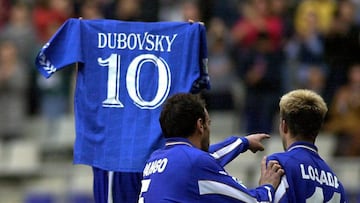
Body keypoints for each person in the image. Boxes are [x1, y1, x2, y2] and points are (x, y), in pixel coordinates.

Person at [139, 93, 284, 202]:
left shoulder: (156, 158)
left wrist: (243, 142)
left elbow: (207, 157)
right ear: (200, 125)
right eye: (208, 123)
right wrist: (267, 186)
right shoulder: (194, 163)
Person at [267, 89, 347, 202]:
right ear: (317, 130)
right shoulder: (336, 182)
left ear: (284, 126)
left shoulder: (278, 164)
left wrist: (264, 189)